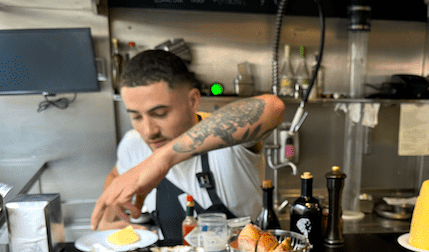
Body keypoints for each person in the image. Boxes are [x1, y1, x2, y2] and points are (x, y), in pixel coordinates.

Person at [92, 50, 285, 241]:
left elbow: (272, 108)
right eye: (136, 116)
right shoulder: (133, 143)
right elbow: (117, 175)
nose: (149, 131)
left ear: (193, 101)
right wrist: (111, 214)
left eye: (160, 113)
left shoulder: (228, 138)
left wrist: (162, 159)